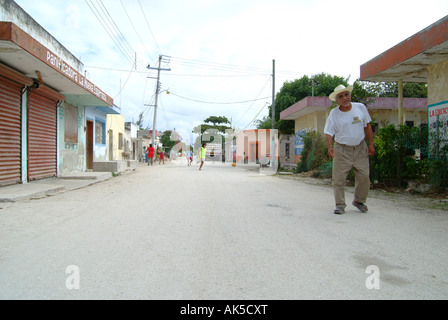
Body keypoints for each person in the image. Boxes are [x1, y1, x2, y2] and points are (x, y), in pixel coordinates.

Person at [324, 84, 375, 215]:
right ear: (337, 100)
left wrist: (371, 144)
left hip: (360, 148)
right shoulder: (334, 113)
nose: (345, 98)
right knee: (339, 179)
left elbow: (367, 126)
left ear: (349, 95)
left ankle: (359, 201)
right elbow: (329, 132)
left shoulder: (360, 107)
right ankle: (340, 205)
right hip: (342, 149)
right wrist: (330, 147)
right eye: (341, 96)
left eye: (346, 94)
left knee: (364, 177)